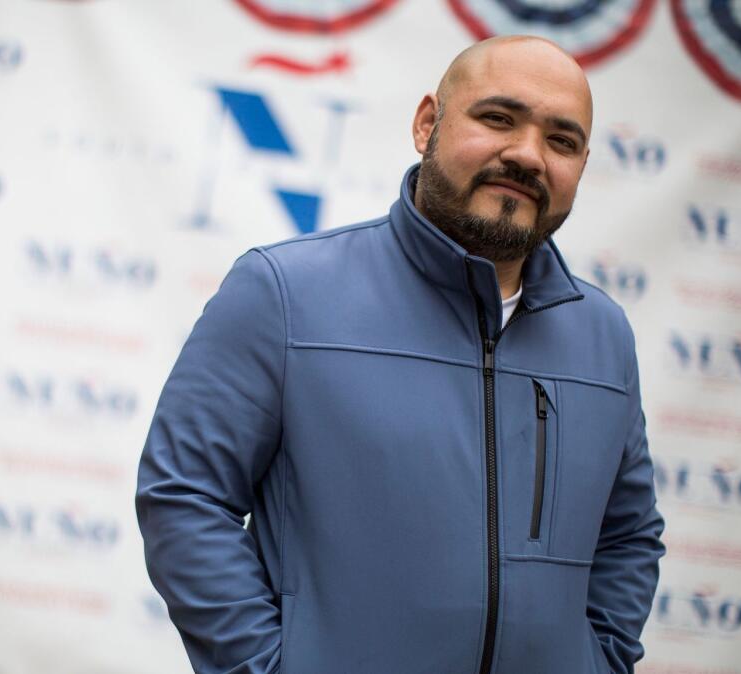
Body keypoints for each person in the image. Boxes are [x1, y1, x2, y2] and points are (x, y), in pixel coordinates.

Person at [136, 36, 665, 674]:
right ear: (426, 125)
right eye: (498, 118)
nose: (526, 154)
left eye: (562, 140)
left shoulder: (603, 335)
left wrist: (600, 661)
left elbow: (628, 536)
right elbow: (185, 495)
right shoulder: (283, 293)